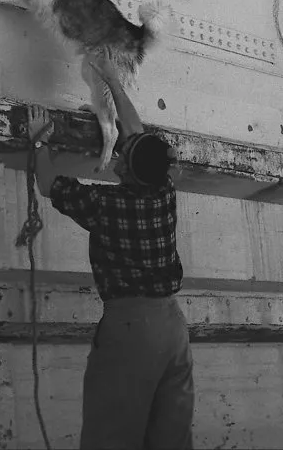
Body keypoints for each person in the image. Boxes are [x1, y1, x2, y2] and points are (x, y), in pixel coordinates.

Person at [34, 58, 193, 450]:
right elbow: (136, 132)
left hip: (130, 331)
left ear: (126, 170)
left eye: (122, 156)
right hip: (173, 327)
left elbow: (48, 183)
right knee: (171, 437)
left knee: (113, 435)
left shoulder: (105, 205)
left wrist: (39, 140)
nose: (118, 154)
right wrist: (113, 82)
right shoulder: (164, 192)